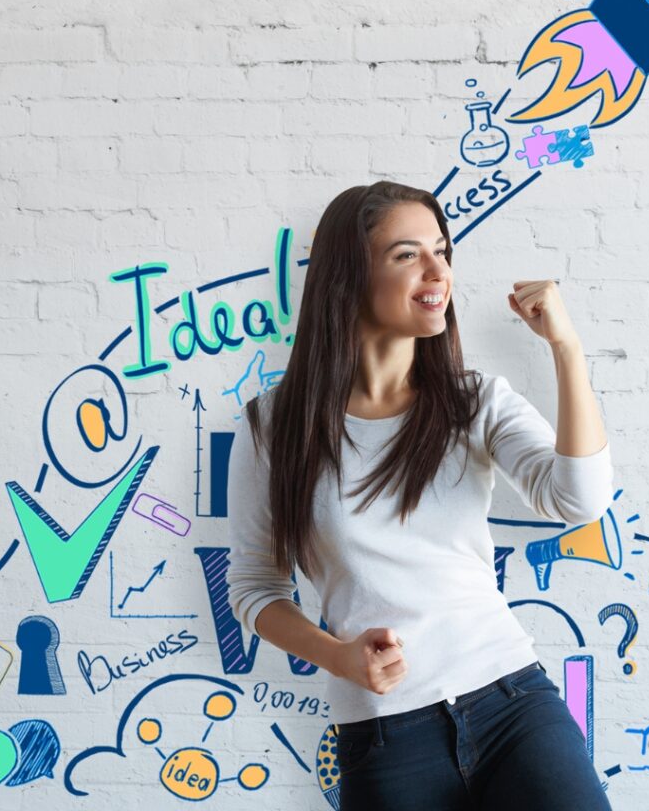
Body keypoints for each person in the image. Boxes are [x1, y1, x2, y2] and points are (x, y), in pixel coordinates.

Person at [226, 181, 615, 810]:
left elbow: (578, 499)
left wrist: (566, 351)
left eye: (442, 251)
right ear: (349, 276)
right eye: (408, 255)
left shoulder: (474, 402)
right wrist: (338, 656)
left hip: (512, 704)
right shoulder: (275, 427)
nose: (439, 271)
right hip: (384, 732)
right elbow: (252, 586)